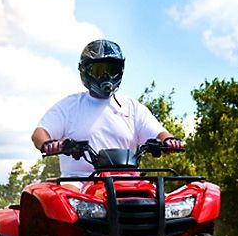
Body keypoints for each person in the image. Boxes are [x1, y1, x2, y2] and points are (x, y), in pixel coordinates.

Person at [32, 39, 185, 178]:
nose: (106, 77)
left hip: (127, 181)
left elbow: (159, 133)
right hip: (78, 181)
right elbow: (40, 133)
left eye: (112, 70)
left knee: (159, 202)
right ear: (86, 71)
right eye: (99, 70)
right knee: (59, 202)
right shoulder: (69, 106)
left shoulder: (132, 108)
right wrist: (48, 144)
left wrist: (169, 141)